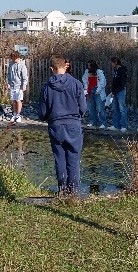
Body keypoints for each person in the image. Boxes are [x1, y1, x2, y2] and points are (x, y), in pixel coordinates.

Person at [38, 54, 86, 196]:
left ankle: (62, 189)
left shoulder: (46, 87)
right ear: (65, 66)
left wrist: (47, 117)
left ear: (51, 68)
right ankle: (73, 191)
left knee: (60, 159)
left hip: (56, 126)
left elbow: (42, 112)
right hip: (73, 125)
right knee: (73, 159)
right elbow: (83, 108)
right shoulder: (76, 84)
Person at [81, 60, 107, 129]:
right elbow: (84, 80)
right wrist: (86, 89)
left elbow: (103, 82)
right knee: (91, 108)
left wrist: (98, 90)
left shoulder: (99, 72)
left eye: (89, 65)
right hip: (90, 91)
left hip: (97, 91)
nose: (88, 67)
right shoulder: (87, 72)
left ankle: (103, 123)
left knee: (100, 108)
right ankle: (92, 122)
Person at [107, 56, 128, 132]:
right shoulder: (116, 70)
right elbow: (114, 83)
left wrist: (115, 92)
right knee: (115, 109)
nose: (111, 64)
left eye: (112, 63)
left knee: (122, 109)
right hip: (115, 92)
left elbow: (122, 84)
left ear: (116, 63)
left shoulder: (122, 71)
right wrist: (113, 92)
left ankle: (123, 126)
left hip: (120, 91)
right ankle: (116, 125)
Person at [6, 51, 28, 123]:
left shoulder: (22, 65)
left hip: (19, 86)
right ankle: (14, 114)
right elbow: (8, 74)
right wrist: (8, 83)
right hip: (12, 85)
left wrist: (24, 85)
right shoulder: (11, 64)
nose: (13, 60)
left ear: (18, 58)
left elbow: (25, 76)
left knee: (19, 100)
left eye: (14, 59)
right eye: (12, 59)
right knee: (14, 100)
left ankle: (18, 115)